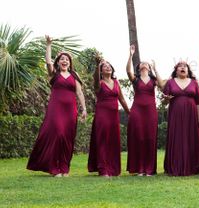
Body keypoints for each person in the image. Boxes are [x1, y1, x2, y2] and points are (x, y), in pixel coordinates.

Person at [27, 35, 87, 177]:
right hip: (56, 109)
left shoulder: (74, 75)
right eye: (62, 59)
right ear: (58, 62)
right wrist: (48, 45)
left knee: (67, 138)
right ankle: (54, 168)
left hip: (71, 111)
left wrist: (84, 108)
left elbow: (79, 93)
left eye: (67, 59)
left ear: (70, 62)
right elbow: (48, 62)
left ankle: (64, 168)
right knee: (58, 134)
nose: (64, 61)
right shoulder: (54, 74)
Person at [88, 58, 130, 177]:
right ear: (101, 71)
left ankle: (113, 169)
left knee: (113, 140)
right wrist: (97, 65)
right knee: (103, 140)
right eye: (104, 66)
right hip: (102, 114)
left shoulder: (116, 83)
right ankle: (103, 169)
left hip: (113, 115)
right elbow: (95, 79)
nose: (107, 67)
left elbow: (121, 99)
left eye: (109, 66)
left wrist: (128, 112)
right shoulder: (99, 83)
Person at [163, 61, 199, 176]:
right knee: (177, 137)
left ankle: (192, 165)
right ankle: (175, 166)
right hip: (175, 114)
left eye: (185, 66)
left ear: (188, 70)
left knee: (190, 137)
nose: (182, 68)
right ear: (176, 70)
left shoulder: (194, 83)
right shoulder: (170, 82)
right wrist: (166, 99)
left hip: (191, 115)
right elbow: (165, 101)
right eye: (180, 66)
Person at [126, 45, 161, 176]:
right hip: (137, 110)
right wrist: (130, 55)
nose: (144, 64)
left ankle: (150, 169)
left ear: (149, 67)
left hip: (151, 111)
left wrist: (156, 68)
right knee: (139, 138)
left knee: (150, 138)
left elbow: (163, 85)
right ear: (139, 67)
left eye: (147, 64)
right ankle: (140, 168)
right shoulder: (136, 79)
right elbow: (128, 71)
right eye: (142, 63)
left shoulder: (154, 80)